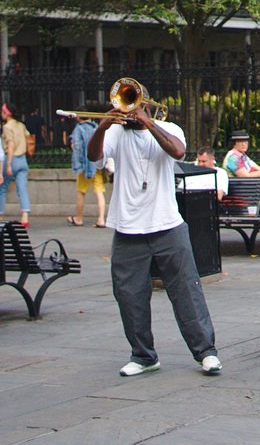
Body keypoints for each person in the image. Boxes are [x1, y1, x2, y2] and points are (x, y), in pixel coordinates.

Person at [86, 100, 222, 377]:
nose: (127, 110)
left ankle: (206, 352)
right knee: (129, 295)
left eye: (133, 103)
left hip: (167, 225)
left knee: (186, 289)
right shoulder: (115, 132)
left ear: (146, 105)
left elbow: (179, 151)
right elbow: (94, 157)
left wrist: (147, 123)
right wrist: (102, 126)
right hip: (127, 228)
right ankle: (143, 355)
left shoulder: (168, 128)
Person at [68, 103, 106, 227]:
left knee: (81, 192)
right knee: (99, 192)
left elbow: (76, 148)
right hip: (97, 164)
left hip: (85, 165)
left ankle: (79, 218)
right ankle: (101, 219)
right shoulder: (97, 127)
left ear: (79, 117)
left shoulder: (78, 129)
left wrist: (77, 165)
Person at [0, 102, 31, 227]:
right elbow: (28, 137)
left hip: (11, 159)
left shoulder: (7, 127)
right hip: (23, 159)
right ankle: (25, 216)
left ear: (7, 113)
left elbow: (10, 145)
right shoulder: (21, 125)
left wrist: (8, 165)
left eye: (2, 111)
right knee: (22, 188)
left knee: (1, 188)